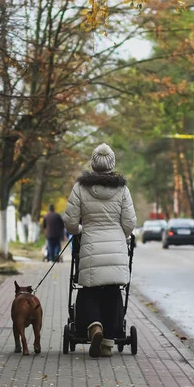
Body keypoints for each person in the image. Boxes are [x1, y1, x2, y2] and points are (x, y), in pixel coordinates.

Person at [64, 143, 136, 358]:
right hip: (116, 246)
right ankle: (107, 342)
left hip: (90, 245)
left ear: (93, 164)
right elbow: (130, 223)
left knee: (88, 290)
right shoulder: (122, 189)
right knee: (114, 292)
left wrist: (79, 230)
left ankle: (94, 326)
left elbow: (69, 222)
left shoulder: (80, 188)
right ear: (112, 164)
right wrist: (120, 236)